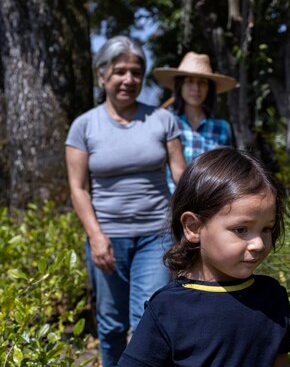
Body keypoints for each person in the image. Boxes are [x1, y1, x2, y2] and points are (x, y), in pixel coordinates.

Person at [65, 35, 187, 367]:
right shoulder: (84, 126)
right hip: (107, 238)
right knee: (111, 325)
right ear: (102, 74)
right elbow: (78, 188)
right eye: (120, 71)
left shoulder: (163, 121)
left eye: (136, 72)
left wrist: (203, 212)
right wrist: (96, 237)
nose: (128, 80)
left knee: (150, 318)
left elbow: (181, 174)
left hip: (156, 236)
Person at [117, 148, 290, 367]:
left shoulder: (272, 297)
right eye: (241, 229)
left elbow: (281, 361)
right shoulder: (167, 309)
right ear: (193, 227)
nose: (258, 243)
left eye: (267, 228)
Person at [152, 51, 237, 193]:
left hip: (209, 203)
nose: (196, 88)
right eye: (189, 81)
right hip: (170, 203)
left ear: (209, 88)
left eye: (202, 82)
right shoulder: (166, 122)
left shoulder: (222, 128)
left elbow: (226, 171)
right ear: (180, 86)